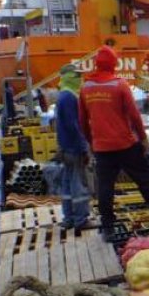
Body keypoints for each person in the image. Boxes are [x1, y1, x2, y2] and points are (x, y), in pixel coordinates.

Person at [79, 45, 149, 236]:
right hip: (125, 144)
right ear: (113, 64)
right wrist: (143, 138)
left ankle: (108, 227)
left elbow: (82, 121)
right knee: (145, 179)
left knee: (105, 187)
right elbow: (135, 116)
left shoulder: (86, 88)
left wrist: (92, 143)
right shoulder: (119, 85)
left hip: (102, 148)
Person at [55, 64, 92, 234]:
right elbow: (74, 126)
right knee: (79, 185)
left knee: (68, 184)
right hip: (74, 149)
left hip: (65, 148)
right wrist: (84, 148)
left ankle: (68, 218)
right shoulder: (70, 98)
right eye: (78, 76)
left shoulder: (62, 96)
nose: (81, 79)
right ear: (71, 77)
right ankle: (81, 219)